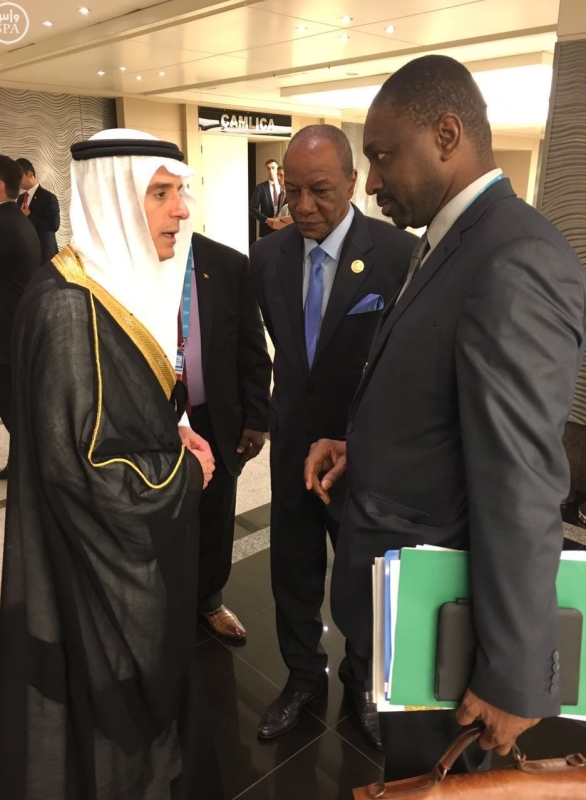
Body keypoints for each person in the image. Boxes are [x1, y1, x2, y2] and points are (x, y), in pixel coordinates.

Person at [304, 55, 586, 782]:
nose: (371, 182)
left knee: (444, 784)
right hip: (410, 605)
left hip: (452, 626)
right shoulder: (446, 243)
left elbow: (521, 481)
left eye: (381, 156)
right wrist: (362, 445)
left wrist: (514, 676)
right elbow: (440, 401)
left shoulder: (514, 256)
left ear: (447, 135)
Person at [0, 129, 220, 800]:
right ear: (114, 198)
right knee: (106, 727)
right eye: (160, 193)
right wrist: (183, 474)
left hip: (118, 555)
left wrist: (169, 432)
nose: (181, 210)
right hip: (90, 569)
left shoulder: (106, 286)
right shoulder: (68, 307)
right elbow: (85, 470)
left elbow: (115, 407)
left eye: (181, 191)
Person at [251, 124, 416, 748]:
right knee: (291, 571)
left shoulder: (399, 255)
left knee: (367, 578)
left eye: (319, 190)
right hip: (294, 444)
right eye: (292, 190)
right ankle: (302, 678)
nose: (303, 206)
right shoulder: (267, 256)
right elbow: (289, 353)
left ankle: (364, 683)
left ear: (352, 181)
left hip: (363, 454)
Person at [178, 232, 271, 640]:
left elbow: (253, 349)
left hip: (213, 414)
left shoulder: (228, 264)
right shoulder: (128, 259)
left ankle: (209, 599)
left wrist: (257, 417)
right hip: (153, 419)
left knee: (215, 515)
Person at [0, 155, 40, 481]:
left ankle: (33, 474)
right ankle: (23, 465)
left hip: (1, 339)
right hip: (13, 333)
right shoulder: (16, 218)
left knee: (14, 410)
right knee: (19, 409)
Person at [16, 157, 60, 265]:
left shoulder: (48, 197)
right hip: (27, 253)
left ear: (30, 175)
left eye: (19, 177)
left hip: (45, 254)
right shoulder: (20, 198)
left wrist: (30, 216)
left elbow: (54, 225)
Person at [249, 158, 282, 238]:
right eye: (268, 168)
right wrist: (266, 220)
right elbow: (252, 208)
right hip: (267, 229)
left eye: (273, 168)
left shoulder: (284, 186)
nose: (271, 171)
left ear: (277, 169)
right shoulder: (260, 188)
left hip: (283, 228)